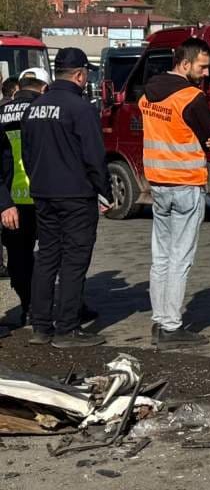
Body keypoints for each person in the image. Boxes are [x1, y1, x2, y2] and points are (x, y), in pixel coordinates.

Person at [20, 48, 110, 348]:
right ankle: (67, 329)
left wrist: (39, 181)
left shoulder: (34, 108)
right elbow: (94, 156)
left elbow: (27, 154)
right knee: (74, 261)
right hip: (76, 195)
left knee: (46, 257)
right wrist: (105, 191)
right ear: (80, 75)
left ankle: (40, 326)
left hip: (43, 193)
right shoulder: (81, 108)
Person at [141, 38, 210, 348]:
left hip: (157, 184)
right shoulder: (192, 97)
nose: (206, 73)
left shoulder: (148, 94)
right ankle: (172, 326)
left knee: (160, 257)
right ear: (185, 63)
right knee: (180, 259)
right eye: (202, 67)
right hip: (186, 183)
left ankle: (159, 320)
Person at [0, 74, 48, 329]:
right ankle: (55, 307)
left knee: (19, 258)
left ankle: (28, 306)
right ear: (43, 87)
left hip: (12, 198)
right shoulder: (44, 111)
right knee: (55, 255)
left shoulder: (2, 112)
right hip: (44, 194)